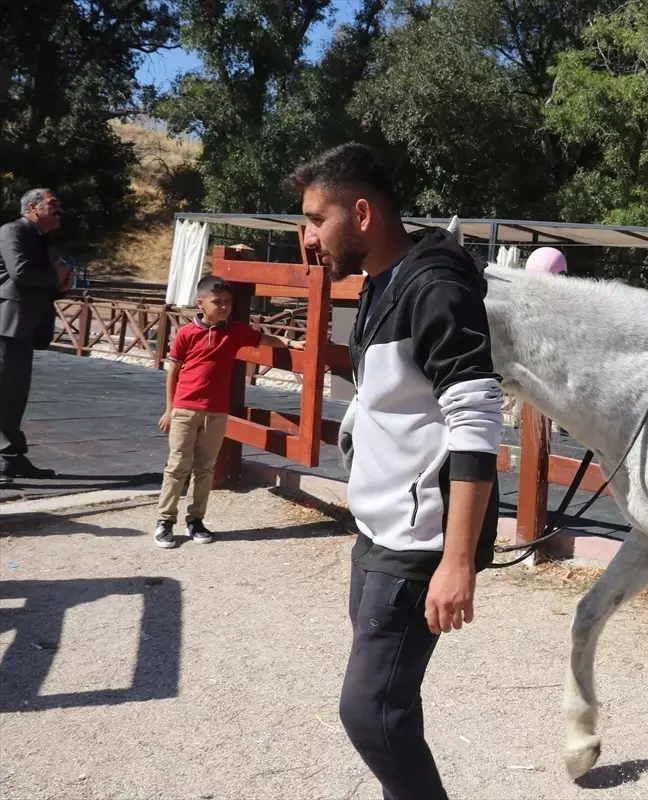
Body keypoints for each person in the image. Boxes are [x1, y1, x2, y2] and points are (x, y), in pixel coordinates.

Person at [286, 143, 503, 800]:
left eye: (315, 220)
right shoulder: (381, 283)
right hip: (377, 532)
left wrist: (457, 561)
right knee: (392, 710)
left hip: (418, 544)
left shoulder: (434, 288)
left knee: (370, 712)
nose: (306, 238)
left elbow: (477, 421)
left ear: (361, 213)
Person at [153, 275, 303, 548]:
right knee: (177, 466)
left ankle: (196, 520)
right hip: (185, 409)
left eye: (228, 302)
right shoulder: (186, 333)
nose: (224, 307)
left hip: (216, 412)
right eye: (217, 302)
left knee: (205, 468)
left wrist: (290, 343)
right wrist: (169, 409)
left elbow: (264, 339)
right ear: (201, 303)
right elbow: (172, 371)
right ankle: (165, 520)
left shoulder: (235, 331)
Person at [0, 188, 72, 483]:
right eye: (53, 204)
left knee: (15, 396)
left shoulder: (43, 239)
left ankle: (11, 458)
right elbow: (21, 272)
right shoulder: (12, 230)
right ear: (32, 208)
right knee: (4, 393)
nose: (59, 210)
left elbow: (42, 281)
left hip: (26, 327)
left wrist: (62, 284)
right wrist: (55, 277)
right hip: (7, 324)